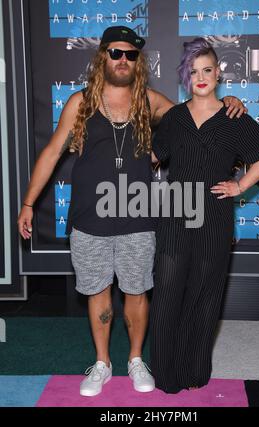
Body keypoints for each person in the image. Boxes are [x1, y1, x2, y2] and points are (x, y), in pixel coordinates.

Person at [17, 27, 246, 397]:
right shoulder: (81, 103)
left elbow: (198, 117)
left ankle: (136, 359)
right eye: (116, 53)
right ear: (102, 56)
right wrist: (28, 202)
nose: (123, 60)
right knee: (98, 293)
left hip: (138, 217)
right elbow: (51, 153)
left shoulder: (150, 102)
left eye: (131, 55)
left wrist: (228, 100)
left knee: (137, 293)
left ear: (137, 61)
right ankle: (103, 362)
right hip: (89, 220)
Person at [150, 37, 259, 394]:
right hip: (176, 211)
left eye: (207, 69)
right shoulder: (175, 117)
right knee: (168, 291)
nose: (201, 77)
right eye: (193, 71)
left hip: (215, 213)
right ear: (185, 76)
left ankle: (194, 370)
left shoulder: (233, 115)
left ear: (219, 72)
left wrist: (240, 186)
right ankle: (166, 373)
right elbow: (151, 156)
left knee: (205, 293)